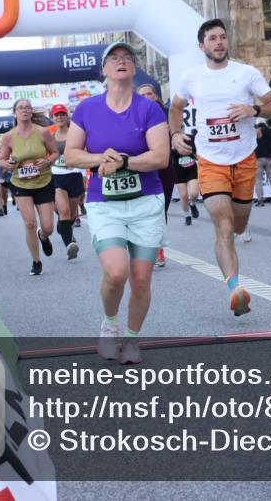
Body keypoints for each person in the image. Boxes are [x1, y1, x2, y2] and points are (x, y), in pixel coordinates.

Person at [168, 19, 271, 317]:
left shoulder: (246, 73)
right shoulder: (191, 77)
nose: (218, 42)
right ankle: (235, 288)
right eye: (212, 38)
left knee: (240, 224)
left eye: (222, 37)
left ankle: (234, 282)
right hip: (210, 162)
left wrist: (253, 110)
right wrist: (175, 134)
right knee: (225, 225)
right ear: (201, 45)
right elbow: (176, 108)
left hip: (244, 160)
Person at [64, 42, 170, 364]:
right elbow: (71, 155)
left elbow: (161, 157)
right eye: (114, 58)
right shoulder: (87, 109)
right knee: (115, 273)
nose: (121, 62)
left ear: (134, 69)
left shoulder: (149, 109)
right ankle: (110, 325)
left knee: (141, 279)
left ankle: (132, 339)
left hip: (145, 202)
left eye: (127, 58)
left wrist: (124, 162)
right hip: (104, 202)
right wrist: (100, 158)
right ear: (105, 70)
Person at [0, 100, 59, 276]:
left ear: (31, 112)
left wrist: (47, 161)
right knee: (30, 223)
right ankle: (36, 261)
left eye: (27, 108)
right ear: (15, 113)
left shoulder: (42, 132)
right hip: (20, 183)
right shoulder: (8, 136)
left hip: (43, 182)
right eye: (21, 108)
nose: (24, 110)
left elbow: (55, 153)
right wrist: (7, 164)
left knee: (48, 227)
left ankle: (44, 236)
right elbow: (2, 159)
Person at [137, 83, 177, 265]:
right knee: (147, 209)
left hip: (165, 167)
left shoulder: (166, 113)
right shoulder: (133, 115)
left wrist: (174, 134)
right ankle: (153, 249)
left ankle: (157, 246)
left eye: (149, 94)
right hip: (144, 168)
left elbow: (179, 132)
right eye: (142, 95)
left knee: (162, 208)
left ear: (156, 96)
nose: (147, 97)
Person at [49, 103, 86, 261]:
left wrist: (76, 161)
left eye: (62, 114)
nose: (59, 117)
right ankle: (69, 244)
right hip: (57, 177)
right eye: (57, 115)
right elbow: (47, 155)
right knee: (63, 212)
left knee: (70, 216)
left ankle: (63, 228)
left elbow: (86, 151)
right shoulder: (50, 136)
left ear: (67, 116)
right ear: (53, 117)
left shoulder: (76, 133)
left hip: (75, 176)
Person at [254, 118, 271, 206]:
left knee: (258, 180)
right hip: (270, 158)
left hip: (258, 158)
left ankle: (260, 199)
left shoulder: (255, 132)